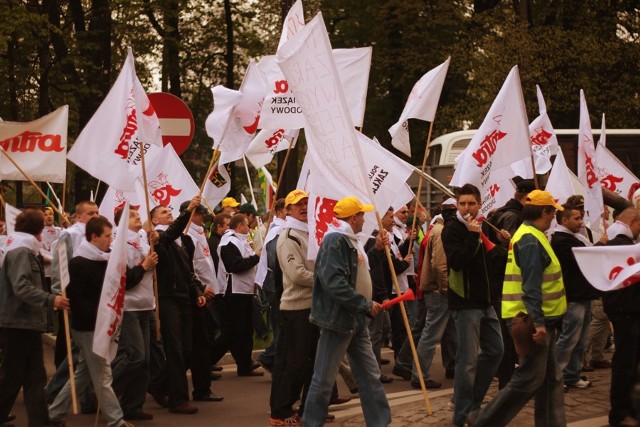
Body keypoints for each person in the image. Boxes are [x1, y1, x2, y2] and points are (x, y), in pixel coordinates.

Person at [468, 190, 567, 426]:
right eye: (553, 211)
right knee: (528, 379)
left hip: (535, 318)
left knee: (550, 378)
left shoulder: (529, 235)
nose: (555, 217)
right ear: (544, 212)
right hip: (532, 321)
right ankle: (483, 420)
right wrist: (540, 324)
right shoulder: (531, 239)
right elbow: (531, 287)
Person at [48, 215, 157, 427]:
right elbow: (77, 299)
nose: (110, 240)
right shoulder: (78, 263)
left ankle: (54, 414)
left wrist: (141, 267)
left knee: (83, 374)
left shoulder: (107, 259)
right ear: (93, 237)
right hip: (88, 327)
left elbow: (121, 285)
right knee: (103, 376)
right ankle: (116, 421)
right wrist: (103, 314)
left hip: (102, 324)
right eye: (107, 236)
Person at [302, 196, 391, 427]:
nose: (364, 218)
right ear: (353, 217)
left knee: (370, 376)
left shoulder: (350, 240)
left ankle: (380, 423)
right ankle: (311, 422)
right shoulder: (336, 240)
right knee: (323, 379)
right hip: (339, 321)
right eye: (362, 214)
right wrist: (364, 304)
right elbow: (334, 283)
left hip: (355, 320)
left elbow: (356, 271)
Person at [441, 184, 505, 426]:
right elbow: (457, 262)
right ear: (457, 205)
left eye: (471, 203)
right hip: (465, 304)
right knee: (466, 362)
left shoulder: (479, 227)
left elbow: (490, 263)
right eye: (462, 203)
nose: (467, 208)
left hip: (485, 302)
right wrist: (471, 235)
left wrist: (500, 242)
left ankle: (472, 404)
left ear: (479, 205)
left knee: (496, 350)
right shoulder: (453, 230)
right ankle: (461, 416)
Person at [0, 208, 70, 427]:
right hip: (18, 321)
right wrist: (52, 299)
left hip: (24, 321)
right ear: (37, 231)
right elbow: (21, 286)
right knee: (14, 375)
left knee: (34, 376)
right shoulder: (21, 251)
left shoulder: (22, 248)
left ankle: (40, 421)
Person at [150, 196, 207, 414]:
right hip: (167, 298)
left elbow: (187, 271)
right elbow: (172, 231)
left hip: (184, 297)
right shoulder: (160, 238)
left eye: (168, 210)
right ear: (154, 220)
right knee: (174, 348)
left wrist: (197, 291)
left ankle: (156, 384)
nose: (168, 212)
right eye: (163, 212)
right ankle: (178, 399)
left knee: (187, 349)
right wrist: (188, 211)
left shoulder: (182, 242)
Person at [268, 190, 318, 426]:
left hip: (314, 307)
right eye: (298, 204)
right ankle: (280, 412)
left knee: (312, 362)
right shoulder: (288, 236)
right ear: (287, 210)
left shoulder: (310, 234)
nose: (304, 207)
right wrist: (326, 279)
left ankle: (309, 408)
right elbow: (296, 274)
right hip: (296, 308)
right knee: (293, 362)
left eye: (307, 203)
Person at [482, 179, 535, 388]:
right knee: (510, 334)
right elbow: (506, 254)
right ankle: (507, 380)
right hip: (506, 284)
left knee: (506, 334)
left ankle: (506, 376)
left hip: (499, 283)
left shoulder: (500, 213)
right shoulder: (513, 216)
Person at [110, 207, 159, 421]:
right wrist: (144, 265)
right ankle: (102, 392)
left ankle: (133, 405)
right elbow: (125, 280)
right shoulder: (118, 245)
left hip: (146, 304)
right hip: (129, 306)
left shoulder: (143, 240)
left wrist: (156, 241)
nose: (139, 217)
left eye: (138, 214)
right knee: (135, 356)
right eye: (132, 215)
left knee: (145, 360)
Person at [551, 203, 600, 389]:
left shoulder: (575, 237)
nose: (580, 222)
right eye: (576, 218)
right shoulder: (562, 240)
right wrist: (601, 244)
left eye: (581, 218)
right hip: (572, 296)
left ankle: (572, 375)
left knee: (580, 339)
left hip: (583, 294)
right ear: (564, 220)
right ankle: (556, 377)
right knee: (569, 337)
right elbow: (580, 259)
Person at [412, 202, 458, 390]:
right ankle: (419, 375)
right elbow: (440, 266)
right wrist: (446, 288)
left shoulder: (435, 230)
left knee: (448, 332)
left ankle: (452, 366)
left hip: (436, 290)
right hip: (439, 292)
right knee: (431, 334)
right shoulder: (440, 233)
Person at [364, 206, 411, 384]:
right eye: (390, 216)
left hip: (382, 292)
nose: (393, 220)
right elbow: (376, 270)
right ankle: (372, 372)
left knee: (383, 330)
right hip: (376, 295)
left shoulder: (383, 236)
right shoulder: (374, 237)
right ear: (379, 218)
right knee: (375, 333)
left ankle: (371, 370)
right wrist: (383, 295)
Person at [181, 201, 222, 403]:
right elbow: (191, 266)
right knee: (199, 344)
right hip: (199, 294)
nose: (203, 217)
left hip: (207, 292)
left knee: (202, 342)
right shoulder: (188, 233)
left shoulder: (198, 232)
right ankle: (200, 388)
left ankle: (201, 383)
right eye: (199, 214)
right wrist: (200, 288)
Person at [603, 207, 640, 427]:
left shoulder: (621, 245)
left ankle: (630, 409)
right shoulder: (621, 247)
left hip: (628, 311)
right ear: (633, 222)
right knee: (625, 365)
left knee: (631, 364)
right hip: (625, 312)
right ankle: (620, 414)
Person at [217, 213, 263, 376]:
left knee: (246, 330)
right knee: (235, 331)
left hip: (245, 291)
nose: (249, 228)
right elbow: (234, 266)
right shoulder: (229, 242)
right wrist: (256, 258)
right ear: (239, 226)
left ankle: (245, 364)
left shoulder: (240, 241)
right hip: (234, 292)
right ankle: (208, 360)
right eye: (246, 225)